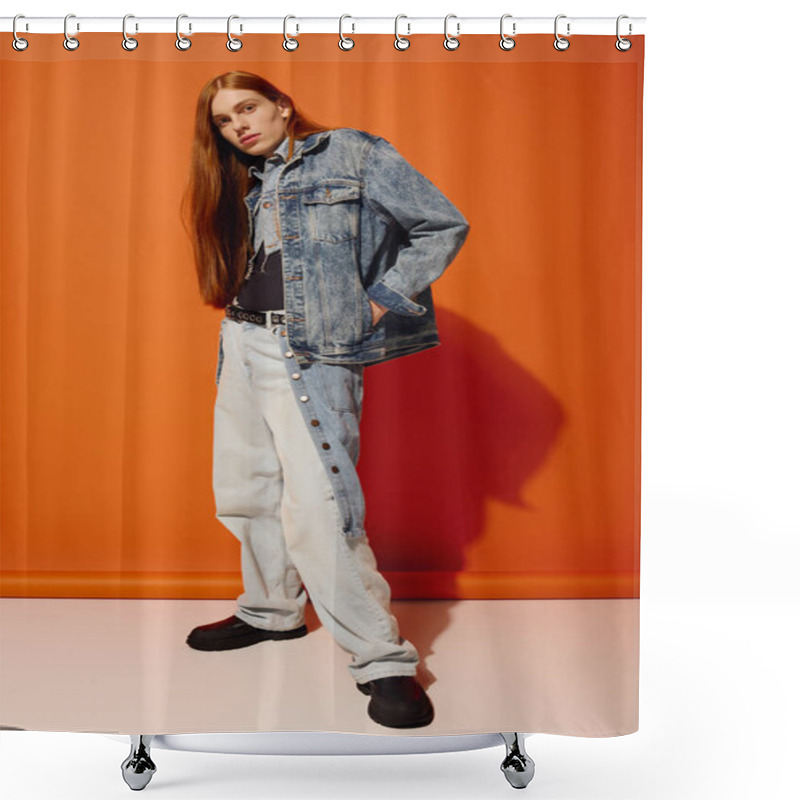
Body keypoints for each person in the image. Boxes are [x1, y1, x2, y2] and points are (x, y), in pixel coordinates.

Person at [180, 71, 469, 729]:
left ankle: (382, 660)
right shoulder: (242, 181)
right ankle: (272, 611)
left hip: (309, 351)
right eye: (224, 122)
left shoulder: (353, 153)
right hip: (242, 342)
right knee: (246, 488)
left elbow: (440, 223)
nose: (239, 127)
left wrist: (381, 302)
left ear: (281, 104)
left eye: (247, 109)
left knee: (319, 503)